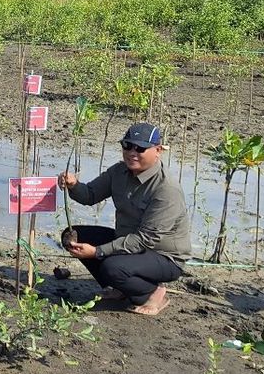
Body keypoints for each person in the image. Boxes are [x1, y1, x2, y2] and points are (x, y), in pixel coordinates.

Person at [58, 122, 191, 316]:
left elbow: (144, 240)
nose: (132, 152)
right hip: (129, 244)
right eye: (127, 145)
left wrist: (97, 252)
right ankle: (121, 289)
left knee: (112, 267)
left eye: (140, 148)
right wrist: (73, 184)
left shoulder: (166, 189)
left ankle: (154, 293)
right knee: (73, 237)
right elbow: (90, 195)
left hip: (163, 256)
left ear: (158, 150)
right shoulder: (119, 172)